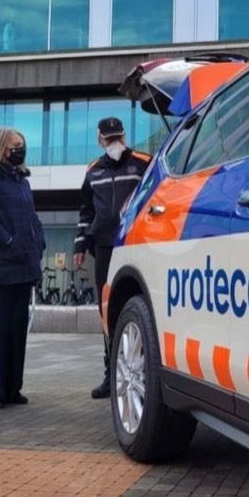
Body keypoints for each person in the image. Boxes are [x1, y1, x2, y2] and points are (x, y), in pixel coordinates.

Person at [73, 117, 151, 398]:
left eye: (118, 138)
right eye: (109, 139)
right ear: (100, 140)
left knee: (136, 306)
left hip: (136, 244)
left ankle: (142, 371)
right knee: (107, 312)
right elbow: (86, 211)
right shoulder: (93, 171)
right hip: (104, 249)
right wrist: (80, 246)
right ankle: (112, 375)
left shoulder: (143, 162)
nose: (114, 144)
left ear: (125, 137)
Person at [0, 127, 46, 409]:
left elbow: (30, 216)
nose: (20, 150)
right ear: (1, 147)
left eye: (22, 145)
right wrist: (9, 239)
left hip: (24, 266)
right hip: (0, 265)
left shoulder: (21, 181)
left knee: (16, 331)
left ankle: (11, 388)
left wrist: (39, 239)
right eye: (16, 145)